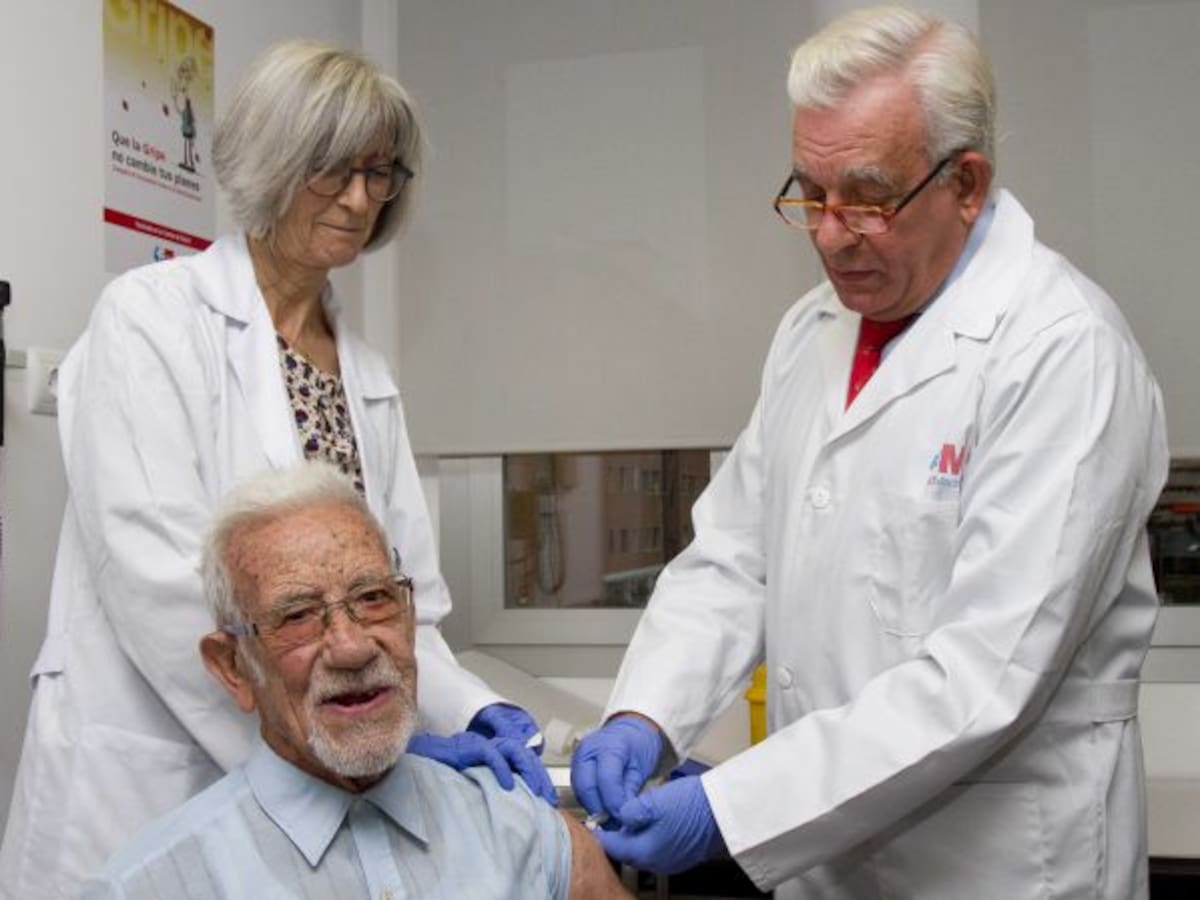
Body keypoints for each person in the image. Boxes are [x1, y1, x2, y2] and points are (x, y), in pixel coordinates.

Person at [570, 6, 1168, 900]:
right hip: (828, 866)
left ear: (966, 183)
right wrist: (646, 713)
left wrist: (732, 809)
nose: (828, 232)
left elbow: (983, 676)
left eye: (867, 197)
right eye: (810, 193)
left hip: (998, 866)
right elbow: (736, 558)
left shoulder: (1062, 350)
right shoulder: (811, 330)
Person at [0, 40, 552, 900]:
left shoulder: (365, 375)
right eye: (334, 169)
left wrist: (477, 713)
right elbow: (159, 584)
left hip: (310, 780)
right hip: (154, 768)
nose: (360, 199)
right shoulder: (149, 319)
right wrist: (337, 749)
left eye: (379, 173)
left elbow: (401, 602)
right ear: (273, 159)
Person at [78, 462, 628, 899]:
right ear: (233, 667)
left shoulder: (530, 839)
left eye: (373, 598)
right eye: (296, 615)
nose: (352, 646)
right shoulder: (151, 886)